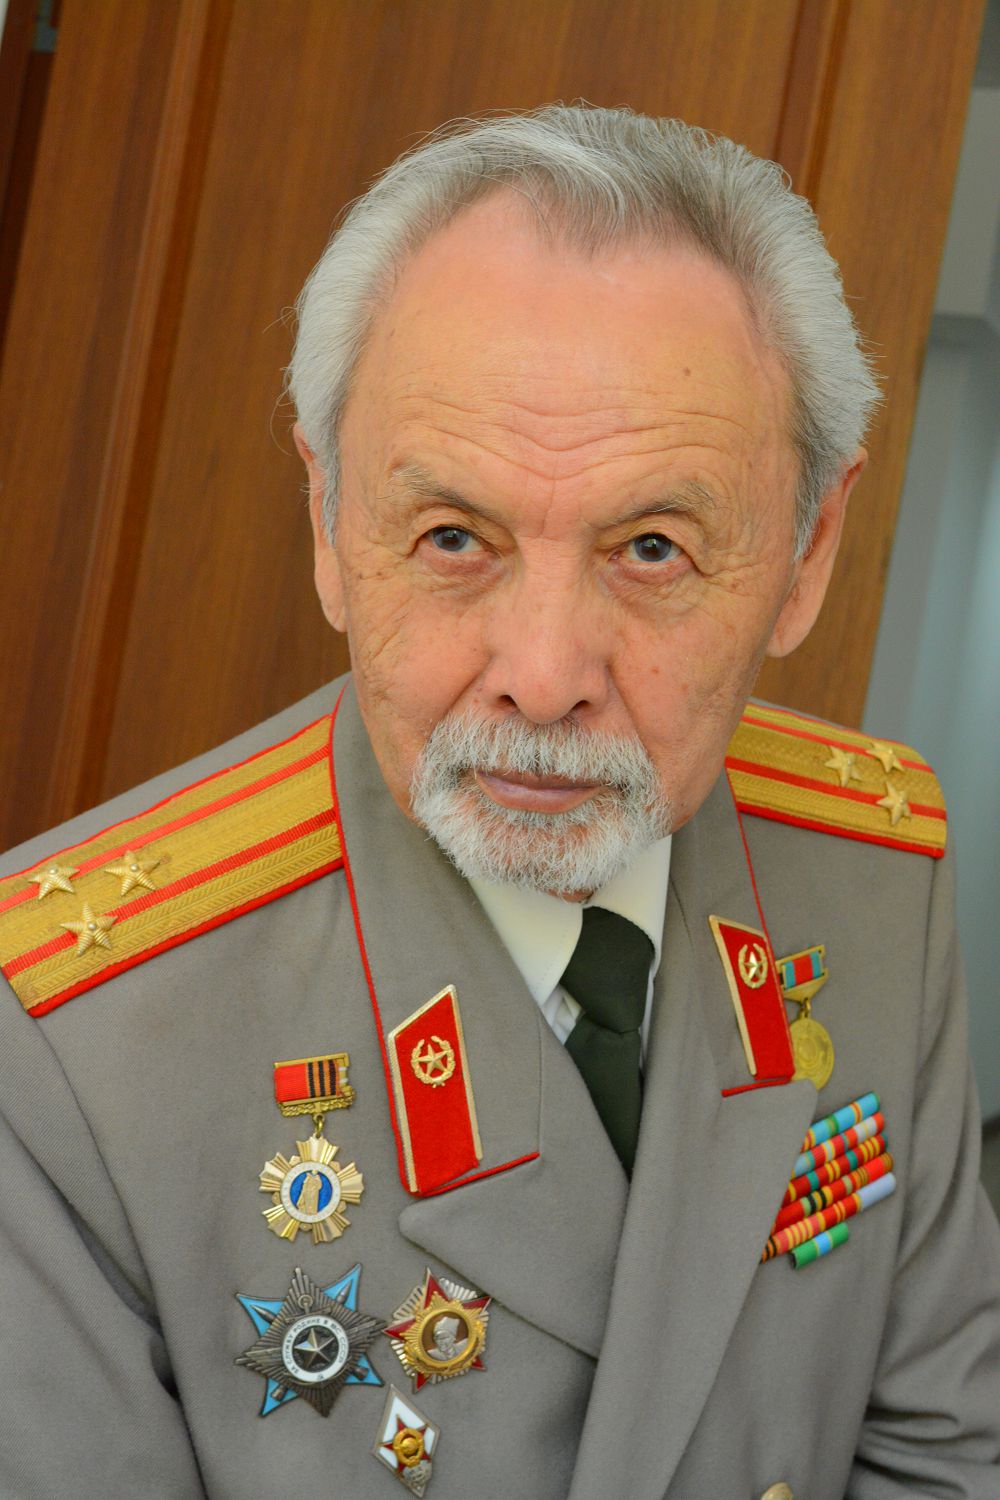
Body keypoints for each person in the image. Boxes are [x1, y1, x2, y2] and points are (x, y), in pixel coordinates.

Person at [0, 105, 997, 1500]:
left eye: (652, 549)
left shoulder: (876, 872)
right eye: (454, 536)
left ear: (808, 551)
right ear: (329, 523)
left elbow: (943, 1447)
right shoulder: (66, 1040)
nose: (542, 676)